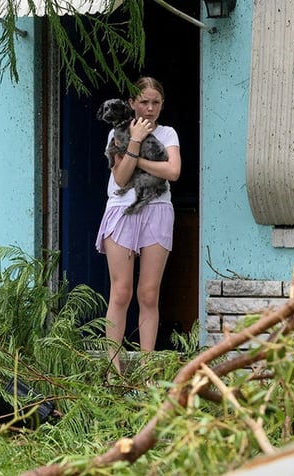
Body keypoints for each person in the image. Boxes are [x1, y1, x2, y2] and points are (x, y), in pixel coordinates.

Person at [95, 77, 181, 374]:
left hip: (156, 210)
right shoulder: (116, 134)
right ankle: (112, 367)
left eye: (156, 102)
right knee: (121, 291)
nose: (150, 108)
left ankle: (146, 368)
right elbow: (120, 178)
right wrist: (134, 140)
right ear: (131, 103)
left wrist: (139, 160)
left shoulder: (168, 134)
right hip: (122, 209)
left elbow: (172, 170)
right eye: (144, 101)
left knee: (148, 293)